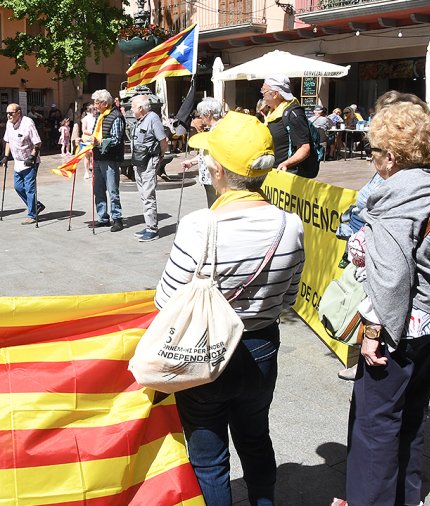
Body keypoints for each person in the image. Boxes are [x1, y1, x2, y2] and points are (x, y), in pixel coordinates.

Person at [155, 111, 304, 506]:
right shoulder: (291, 225)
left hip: (204, 350)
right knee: (256, 438)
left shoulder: (199, 225)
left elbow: (166, 300)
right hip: (261, 347)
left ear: (217, 169)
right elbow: (288, 301)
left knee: (208, 457)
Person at [332, 99, 430, 506]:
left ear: (389, 156)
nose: (371, 161)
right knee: (411, 419)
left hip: (397, 328)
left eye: (372, 152)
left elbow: (391, 276)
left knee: (376, 426)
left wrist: (373, 331)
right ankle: (406, 496)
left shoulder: (398, 194)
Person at [84, 89, 126, 232]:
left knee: (112, 190)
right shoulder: (100, 116)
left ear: (105, 103)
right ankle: (103, 217)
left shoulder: (116, 116)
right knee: (98, 189)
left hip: (110, 158)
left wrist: (98, 142)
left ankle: (117, 219)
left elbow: (115, 139)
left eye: (96, 102)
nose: (95, 105)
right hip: (98, 157)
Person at [261, 75, 318, 178]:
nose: (262, 95)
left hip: (289, 175)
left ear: (275, 94)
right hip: (274, 173)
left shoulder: (294, 114)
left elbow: (304, 148)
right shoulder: (272, 113)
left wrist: (286, 164)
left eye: (264, 91)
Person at [129, 94, 168, 242]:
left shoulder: (152, 118)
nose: (131, 109)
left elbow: (163, 140)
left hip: (149, 162)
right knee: (143, 195)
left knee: (148, 195)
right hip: (139, 163)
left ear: (140, 108)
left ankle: (152, 229)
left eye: (133, 106)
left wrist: (160, 156)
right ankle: (148, 225)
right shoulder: (140, 120)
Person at [1, 103, 45, 225]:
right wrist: (5, 156)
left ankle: (32, 214)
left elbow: (37, 143)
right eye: (7, 113)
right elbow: (8, 141)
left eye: (11, 113)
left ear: (19, 113)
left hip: (29, 161)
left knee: (30, 188)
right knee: (18, 187)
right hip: (17, 161)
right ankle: (37, 206)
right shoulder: (9, 124)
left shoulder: (28, 123)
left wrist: (32, 157)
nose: (9, 115)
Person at [182, 97, 224, 208]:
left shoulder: (219, 130)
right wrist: (192, 162)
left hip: (215, 177)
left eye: (201, 113)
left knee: (216, 207)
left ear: (208, 114)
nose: (200, 117)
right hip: (210, 177)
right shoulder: (213, 128)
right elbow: (206, 152)